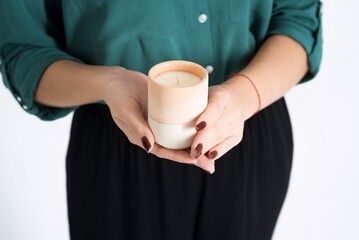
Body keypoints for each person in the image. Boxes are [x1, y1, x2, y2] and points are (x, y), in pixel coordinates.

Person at [0, 0, 322, 239]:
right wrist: (109, 83)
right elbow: (24, 50)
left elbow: (296, 19)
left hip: (245, 129)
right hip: (121, 148)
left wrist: (243, 96)